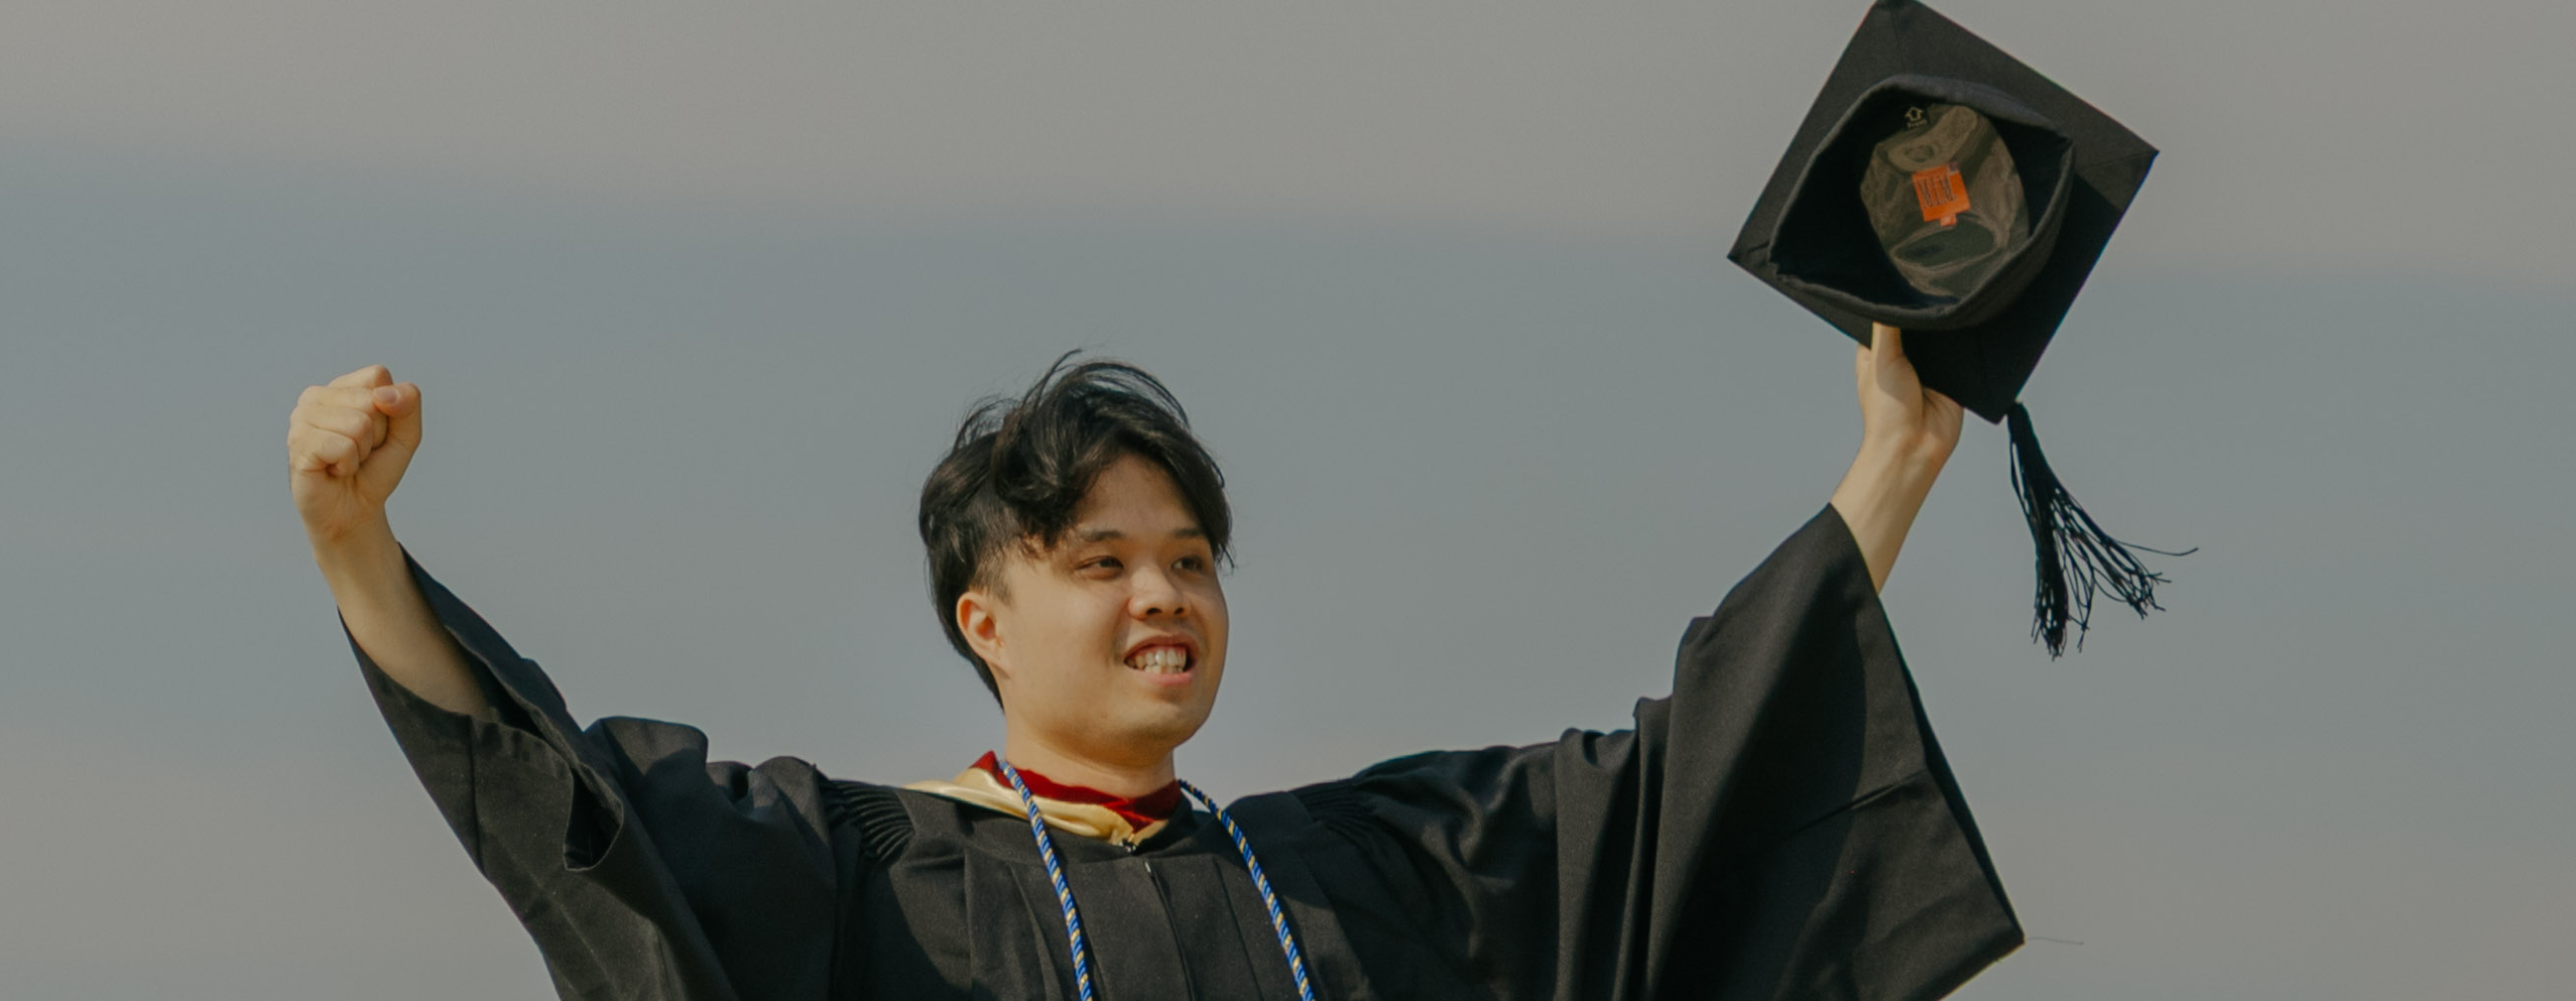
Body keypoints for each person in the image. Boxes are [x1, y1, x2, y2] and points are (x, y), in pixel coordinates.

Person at [287, 326, 2021, 1001]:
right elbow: (564, 810)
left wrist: (1894, 467)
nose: (1161, 597)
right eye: (1101, 561)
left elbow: (1674, 790)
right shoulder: (857, 881)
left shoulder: (1359, 878)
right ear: (986, 618)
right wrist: (357, 545)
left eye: (1189, 561)